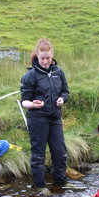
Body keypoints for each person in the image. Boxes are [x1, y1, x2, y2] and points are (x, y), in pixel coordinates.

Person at [20, 38, 69, 188]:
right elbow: (24, 102)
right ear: (37, 55)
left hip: (55, 118)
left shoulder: (58, 72)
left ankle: (60, 186)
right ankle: (40, 188)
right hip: (37, 119)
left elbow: (65, 92)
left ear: (52, 55)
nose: (45, 61)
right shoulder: (30, 76)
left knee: (60, 153)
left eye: (48, 58)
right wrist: (33, 104)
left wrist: (62, 99)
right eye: (42, 58)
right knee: (39, 155)